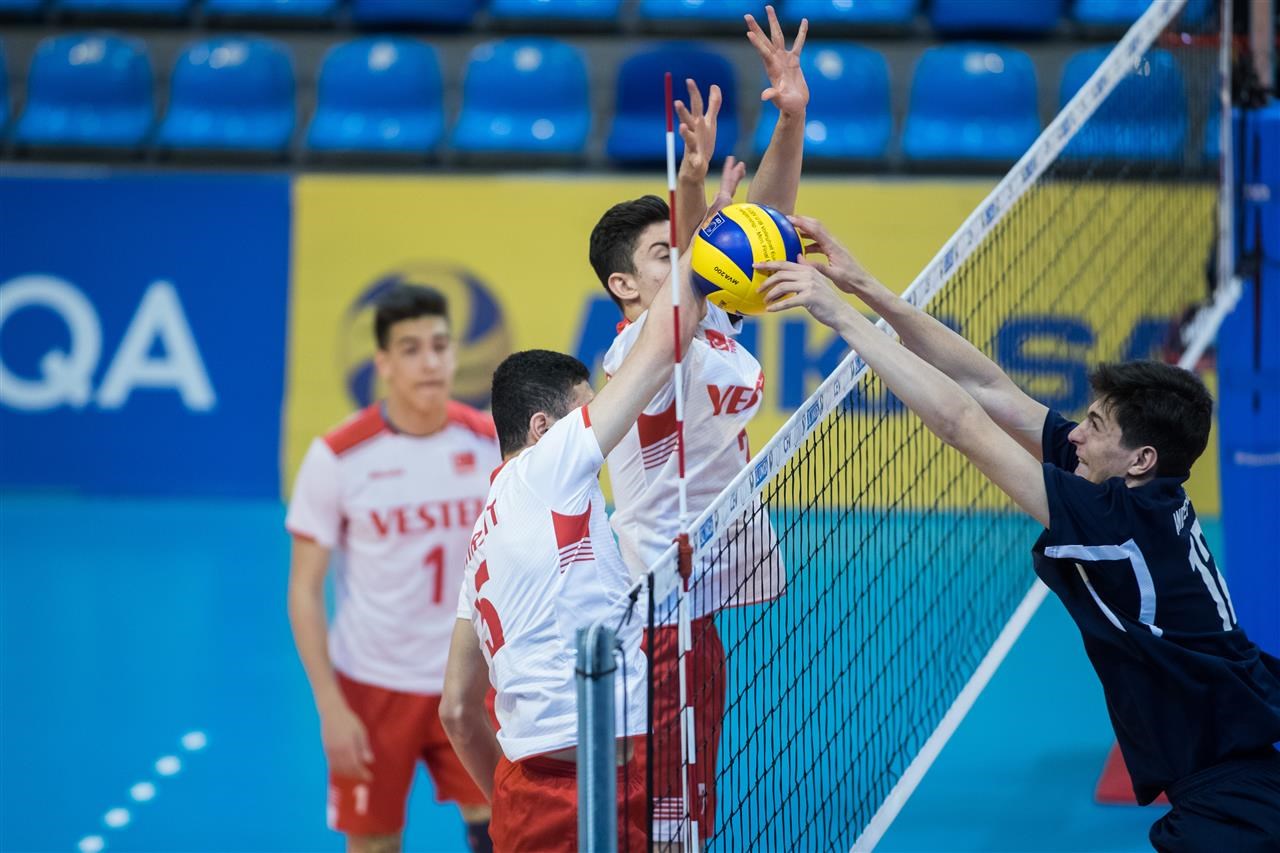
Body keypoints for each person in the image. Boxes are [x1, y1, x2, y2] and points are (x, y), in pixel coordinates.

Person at [756, 215, 1280, 853]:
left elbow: (963, 424)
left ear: (1141, 459)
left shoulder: (1119, 522)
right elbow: (988, 388)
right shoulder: (1132, 490)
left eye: (1094, 425)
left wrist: (840, 318)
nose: (1074, 434)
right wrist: (863, 285)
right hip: (1236, 770)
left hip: (1236, 801)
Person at [588, 6, 809, 842]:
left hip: (691, 605)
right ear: (623, 285)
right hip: (657, 611)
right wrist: (690, 185)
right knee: (665, 826)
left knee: (680, 818)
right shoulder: (639, 349)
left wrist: (790, 118)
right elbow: (692, 261)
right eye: (663, 255)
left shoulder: (708, 323)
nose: (684, 260)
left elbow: (766, 231)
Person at [438, 248, 703, 852]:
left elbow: (456, 708)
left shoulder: (484, 540)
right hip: (584, 789)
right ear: (541, 428)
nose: (601, 430)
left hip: (537, 794)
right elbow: (659, 348)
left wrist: (511, 805)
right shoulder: (546, 468)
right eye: (587, 413)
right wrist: (701, 247)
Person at [286, 285, 499, 853]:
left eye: (440, 346)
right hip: (374, 684)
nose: (430, 362)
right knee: (376, 841)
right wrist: (330, 708)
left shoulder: (489, 444)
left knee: (502, 826)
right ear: (382, 363)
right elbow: (304, 591)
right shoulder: (338, 456)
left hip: (471, 675)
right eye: (410, 349)